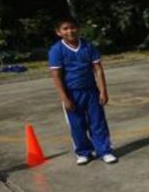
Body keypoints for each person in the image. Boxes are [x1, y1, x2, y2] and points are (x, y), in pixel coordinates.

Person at [48, 17, 117, 165]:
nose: (69, 31)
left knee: (98, 122)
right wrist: (64, 98)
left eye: (72, 27)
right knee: (77, 124)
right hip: (72, 93)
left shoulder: (88, 46)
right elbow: (56, 76)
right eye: (65, 28)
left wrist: (103, 91)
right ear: (58, 32)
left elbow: (98, 69)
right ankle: (83, 152)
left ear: (78, 29)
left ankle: (104, 151)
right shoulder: (56, 50)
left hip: (91, 91)